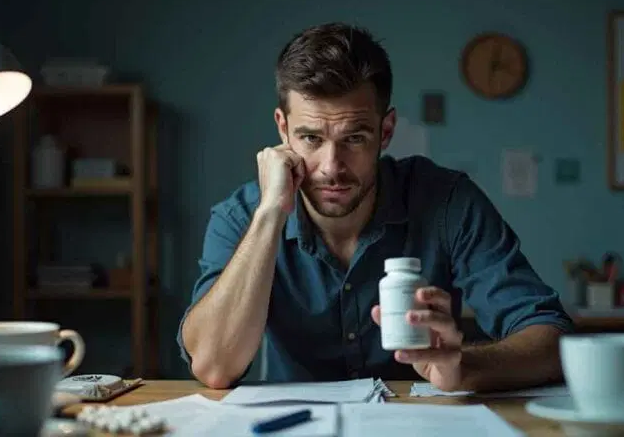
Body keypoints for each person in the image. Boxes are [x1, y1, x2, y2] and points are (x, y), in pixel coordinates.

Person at [178, 22, 573, 391]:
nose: (331, 167)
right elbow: (214, 367)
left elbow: (551, 337)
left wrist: (463, 365)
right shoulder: (241, 216)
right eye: (311, 138)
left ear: (386, 132)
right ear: (283, 130)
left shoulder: (448, 201)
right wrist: (269, 214)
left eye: (354, 138)